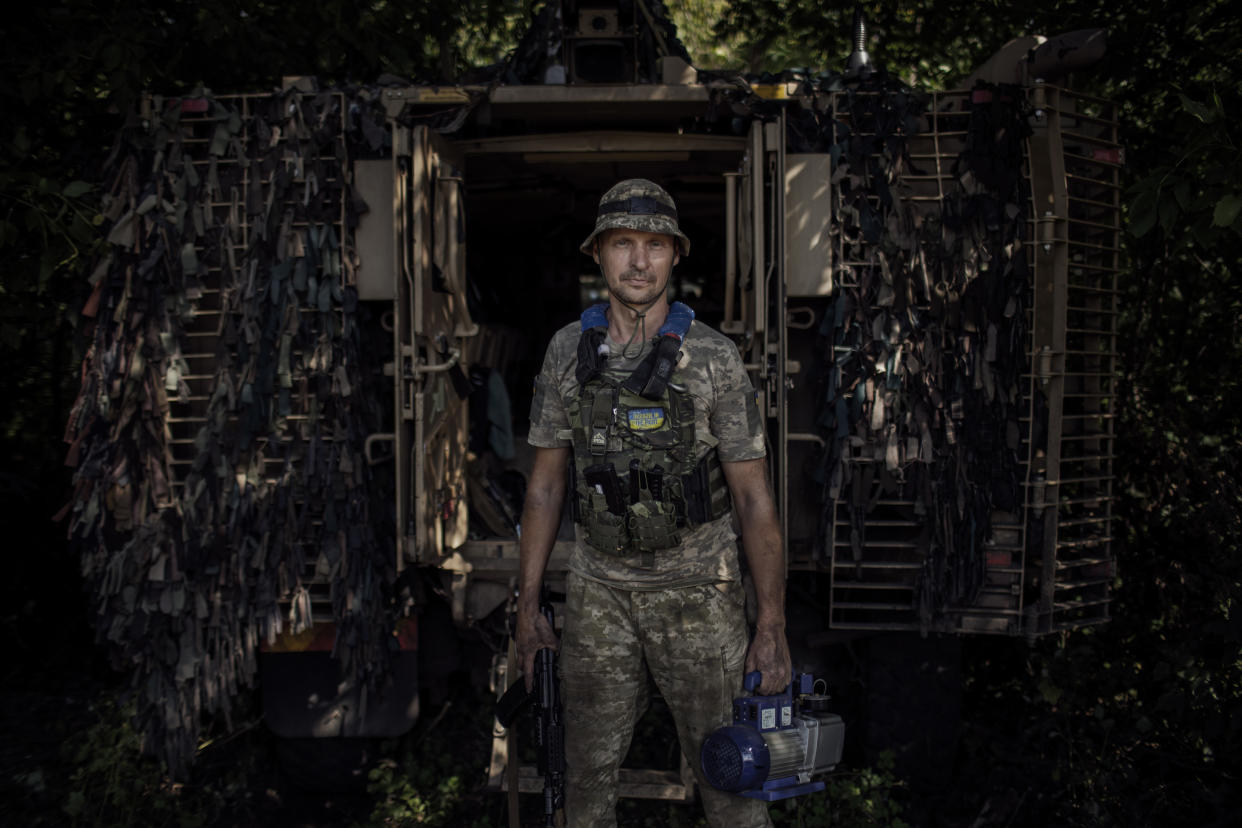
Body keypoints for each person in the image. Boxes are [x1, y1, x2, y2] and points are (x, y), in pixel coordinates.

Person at [515, 178, 791, 828]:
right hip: (598, 596)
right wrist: (526, 608)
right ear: (598, 254)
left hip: (699, 594)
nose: (639, 261)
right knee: (579, 783)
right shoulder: (564, 352)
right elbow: (546, 486)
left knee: (733, 781)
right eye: (622, 244)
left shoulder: (716, 359)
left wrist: (771, 625)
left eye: (654, 245)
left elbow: (754, 499)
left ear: (674, 256)